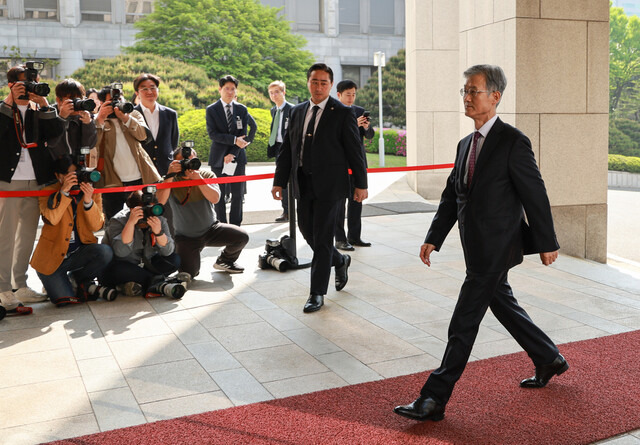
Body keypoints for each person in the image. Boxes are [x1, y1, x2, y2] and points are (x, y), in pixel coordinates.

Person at [393, 64, 567, 422]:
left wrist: (547, 241)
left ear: (495, 96)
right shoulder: (465, 145)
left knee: (464, 320)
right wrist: (434, 237)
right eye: (465, 91)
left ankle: (434, 397)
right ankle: (549, 358)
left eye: (474, 91)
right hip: (474, 246)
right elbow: (451, 196)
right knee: (502, 303)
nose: (467, 97)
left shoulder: (513, 141)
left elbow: (535, 193)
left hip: (499, 246)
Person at [271, 63, 368, 313]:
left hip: (332, 186)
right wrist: (279, 181)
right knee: (307, 232)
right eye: (314, 81)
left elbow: (355, 151)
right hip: (302, 184)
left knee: (323, 237)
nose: (319, 86)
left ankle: (317, 293)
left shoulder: (342, 112)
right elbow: (287, 150)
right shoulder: (297, 112)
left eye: (324, 82)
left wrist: (361, 184)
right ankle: (340, 259)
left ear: (331, 85)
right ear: (308, 83)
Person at [0, 63, 65, 315]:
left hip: (36, 180)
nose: (30, 88)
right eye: (24, 83)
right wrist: (9, 102)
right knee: (5, 236)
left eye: (33, 82)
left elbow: (56, 134)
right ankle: (3, 288)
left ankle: (20, 284)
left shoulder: (40, 110)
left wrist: (45, 104)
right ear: (11, 85)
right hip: (8, 181)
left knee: (27, 235)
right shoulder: (3, 109)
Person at [30, 155, 115, 307]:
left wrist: (88, 201)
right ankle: (73, 285)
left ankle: (77, 279)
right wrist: (63, 192)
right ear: (58, 176)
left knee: (105, 252)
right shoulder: (48, 191)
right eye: (69, 175)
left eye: (76, 174)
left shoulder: (90, 190)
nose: (74, 179)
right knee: (65, 301)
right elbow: (52, 218)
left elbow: (97, 226)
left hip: (78, 253)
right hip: (52, 260)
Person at [157, 146, 249, 279]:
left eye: (191, 160)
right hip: (186, 237)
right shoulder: (170, 179)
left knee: (242, 237)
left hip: (212, 229)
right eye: (183, 161)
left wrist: (198, 179)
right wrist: (170, 175)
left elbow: (215, 198)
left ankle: (225, 260)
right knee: (189, 273)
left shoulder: (206, 175)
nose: (188, 165)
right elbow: (160, 201)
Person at [101, 188, 185, 299]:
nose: (146, 215)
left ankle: (142, 283)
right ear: (131, 209)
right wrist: (131, 223)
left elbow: (168, 252)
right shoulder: (118, 220)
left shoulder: (158, 218)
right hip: (123, 264)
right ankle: (159, 283)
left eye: (150, 210)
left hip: (146, 264)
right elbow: (121, 252)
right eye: (143, 211)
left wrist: (159, 233)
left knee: (174, 260)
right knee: (120, 271)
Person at [95, 84, 161, 220]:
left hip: (140, 176)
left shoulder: (134, 114)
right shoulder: (97, 119)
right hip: (112, 181)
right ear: (102, 103)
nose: (117, 103)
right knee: (115, 221)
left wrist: (126, 118)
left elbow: (143, 136)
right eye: (112, 101)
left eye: (119, 99)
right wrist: (100, 119)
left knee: (145, 218)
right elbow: (93, 144)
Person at [206, 75, 256, 226]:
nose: (230, 92)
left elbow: (244, 135)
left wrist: (233, 153)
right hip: (218, 158)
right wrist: (234, 140)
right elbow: (213, 134)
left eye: (233, 89)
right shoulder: (212, 110)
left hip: (238, 156)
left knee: (237, 194)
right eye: (226, 88)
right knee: (219, 194)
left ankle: (236, 226)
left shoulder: (242, 109)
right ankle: (222, 225)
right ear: (219, 89)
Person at [333, 80, 375, 251]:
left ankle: (354, 236)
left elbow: (370, 135)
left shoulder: (359, 111)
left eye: (353, 94)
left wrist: (366, 127)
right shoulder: (333, 112)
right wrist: (352, 125)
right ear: (339, 95)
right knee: (339, 204)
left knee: (357, 201)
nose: (351, 98)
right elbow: (333, 136)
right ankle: (340, 239)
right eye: (348, 94)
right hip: (341, 164)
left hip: (358, 163)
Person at [133, 73, 179, 177]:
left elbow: (173, 142)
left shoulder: (170, 114)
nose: (149, 92)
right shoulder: (131, 114)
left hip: (166, 168)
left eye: (152, 88)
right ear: (137, 93)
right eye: (144, 89)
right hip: (141, 169)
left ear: (158, 90)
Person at [49, 78, 98, 159]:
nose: (76, 103)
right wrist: (61, 118)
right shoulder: (49, 114)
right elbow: (51, 143)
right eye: (72, 99)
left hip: (77, 163)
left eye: (79, 99)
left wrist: (88, 124)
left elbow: (89, 146)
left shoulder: (84, 116)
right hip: (55, 164)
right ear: (58, 100)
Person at [267, 80, 294, 222]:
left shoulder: (293, 109)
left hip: (290, 148)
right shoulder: (273, 110)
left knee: (291, 180)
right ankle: (286, 211)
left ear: (284, 92)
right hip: (278, 147)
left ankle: (292, 210)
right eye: (271, 93)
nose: (274, 95)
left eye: (277, 92)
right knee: (281, 179)